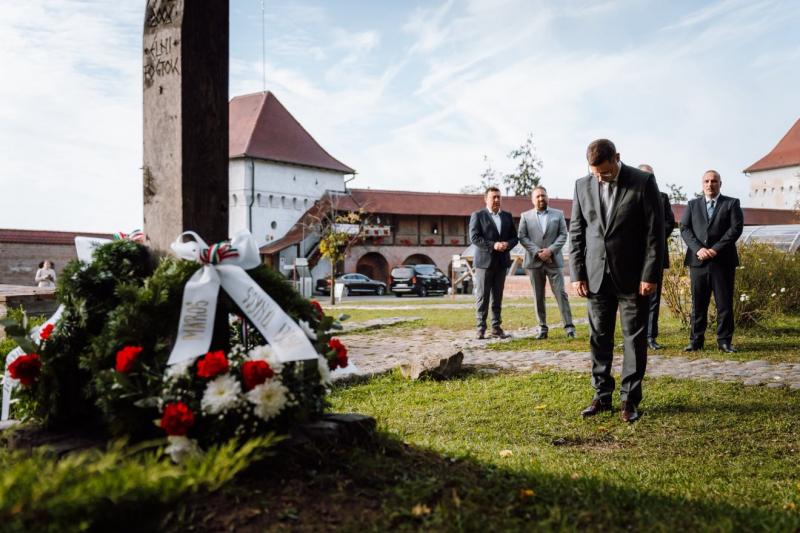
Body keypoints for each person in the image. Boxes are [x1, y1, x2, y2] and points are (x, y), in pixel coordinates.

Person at [569, 139, 663, 423]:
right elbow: (577, 231)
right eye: (596, 173)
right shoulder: (581, 185)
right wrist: (577, 273)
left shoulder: (643, 181)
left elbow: (654, 233)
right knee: (599, 337)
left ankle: (629, 400)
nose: (601, 178)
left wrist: (650, 274)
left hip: (634, 278)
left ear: (617, 158)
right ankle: (601, 395)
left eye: (606, 173)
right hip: (596, 277)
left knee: (634, 340)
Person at [680, 170, 743, 353]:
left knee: (724, 304)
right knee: (698, 303)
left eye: (714, 181)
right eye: (706, 181)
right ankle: (696, 340)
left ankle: (724, 341)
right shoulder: (692, 205)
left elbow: (735, 229)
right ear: (702, 184)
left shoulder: (731, 203)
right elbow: (684, 228)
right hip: (698, 261)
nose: (710, 184)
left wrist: (715, 249)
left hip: (722, 261)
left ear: (720, 184)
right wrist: (699, 249)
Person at [518, 186, 575, 340]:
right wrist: (538, 252)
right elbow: (522, 237)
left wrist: (550, 251)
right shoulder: (525, 216)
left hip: (553, 261)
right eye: (538, 196)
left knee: (561, 294)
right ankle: (542, 328)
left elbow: (563, 235)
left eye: (543, 195)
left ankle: (569, 327)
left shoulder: (558, 214)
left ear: (547, 197)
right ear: (532, 199)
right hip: (534, 262)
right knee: (538, 296)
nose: (541, 199)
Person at [469, 186, 518, 339]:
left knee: (497, 297)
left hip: (502, 262)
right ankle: (481, 328)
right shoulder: (478, 215)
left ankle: (496, 327)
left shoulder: (507, 216)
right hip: (484, 263)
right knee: (482, 296)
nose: (497, 200)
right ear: (486, 199)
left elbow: (515, 238)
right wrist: (493, 245)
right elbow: (475, 238)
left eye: (499, 197)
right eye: (493, 197)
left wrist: (507, 244)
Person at [638, 164, 676, 350]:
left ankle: (651, 336)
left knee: (653, 299)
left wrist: (654, 239)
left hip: (655, 255)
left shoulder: (662, 198)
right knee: (632, 299)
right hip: (632, 256)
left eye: (650, 176)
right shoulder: (628, 195)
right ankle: (634, 336)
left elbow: (669, 222)